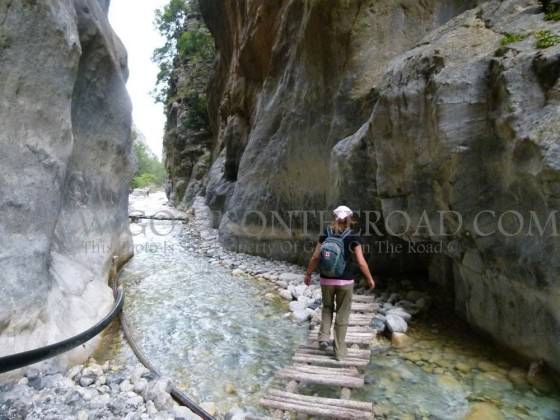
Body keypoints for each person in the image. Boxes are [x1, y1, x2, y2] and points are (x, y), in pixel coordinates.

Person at [304, 205, 375, 360]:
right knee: (342, 314)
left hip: (326, 279)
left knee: (327, 308)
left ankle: (323, 338)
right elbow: (361, 262)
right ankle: (339, 352)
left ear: (334, 217)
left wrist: (308, 274)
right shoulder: (353, 236)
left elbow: (315, 257)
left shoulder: (325, 233)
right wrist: (369, 278)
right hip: (345, 282)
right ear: (350, 218)